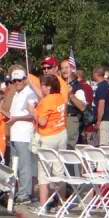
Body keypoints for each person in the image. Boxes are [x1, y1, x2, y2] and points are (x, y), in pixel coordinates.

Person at [4, 67, 39, 204]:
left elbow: (33, 115)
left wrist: (16, 119)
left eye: (19, 79)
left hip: (24, 135)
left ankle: (25, 194)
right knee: (15, 166)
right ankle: (19, 191)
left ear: (25, 79)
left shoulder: (30, 93)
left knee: (25, 166)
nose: (17, 82)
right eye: (14, 80)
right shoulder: (16, 94)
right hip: (14, 134)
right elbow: (13, 115)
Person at [32, 74, 68, 209]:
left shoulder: (45, 101)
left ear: (48, 87)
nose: (40, 88)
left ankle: (43, 205)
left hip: (48, 136)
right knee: (59, 170)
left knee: (43, 172)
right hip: (61, 133)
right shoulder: (61, 98)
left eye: (42, 86)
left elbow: (42, 121)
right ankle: (61, 203)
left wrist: (33, 111)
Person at [92, 66, 109, 146]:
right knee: (98, 144)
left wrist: (98, 121)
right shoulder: (103, 85)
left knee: (102, 145)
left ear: (96, 74)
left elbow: (101, 104)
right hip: (103, 119)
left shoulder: (102, 86)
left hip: (104, 119)